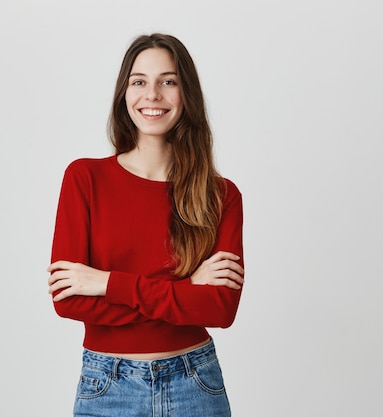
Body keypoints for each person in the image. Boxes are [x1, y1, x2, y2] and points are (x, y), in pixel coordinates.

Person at [47, 33, 245, 417]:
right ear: (125, 93)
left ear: (186, 93)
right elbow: (69, 300)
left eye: (168, 81)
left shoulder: (221, 195)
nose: (152, 94)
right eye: (139, 81)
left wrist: (107, 283)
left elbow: (220, 309)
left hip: (195, 383)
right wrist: (186, 292)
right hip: (108, 385)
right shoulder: (84, 178)